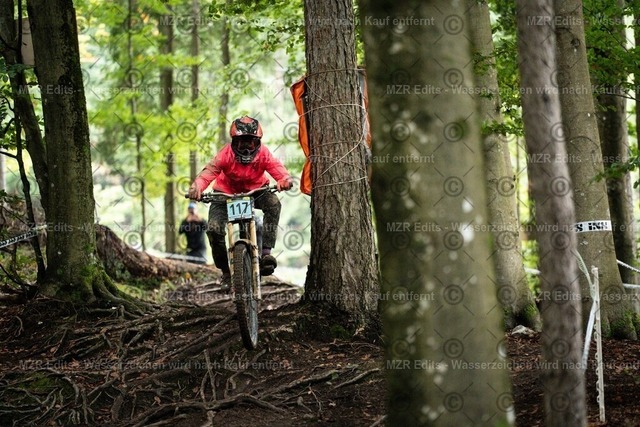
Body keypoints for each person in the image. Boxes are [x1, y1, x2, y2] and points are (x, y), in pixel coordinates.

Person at [188, 115, 293, 286]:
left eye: (250, 142)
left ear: (257, 142)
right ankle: (225, 270)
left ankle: (266, 253)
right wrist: (197, 187)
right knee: (214, 229)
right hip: (224, 194)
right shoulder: (225, 154)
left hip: (256, 191)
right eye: (241, 143)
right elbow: (208, 173)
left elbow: (277, 168)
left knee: (274, 204)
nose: (246, 148)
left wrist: (285, 179)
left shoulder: (263, 153)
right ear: (234, 142)